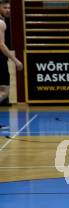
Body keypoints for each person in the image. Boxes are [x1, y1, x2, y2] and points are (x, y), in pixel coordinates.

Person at [0, 0, 22, 129]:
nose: (8, 10)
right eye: (5, 7)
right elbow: (1, 44)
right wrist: (16, 60)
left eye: (9, 7)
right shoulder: (1, 23)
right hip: (0, 60)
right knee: (4, 92)